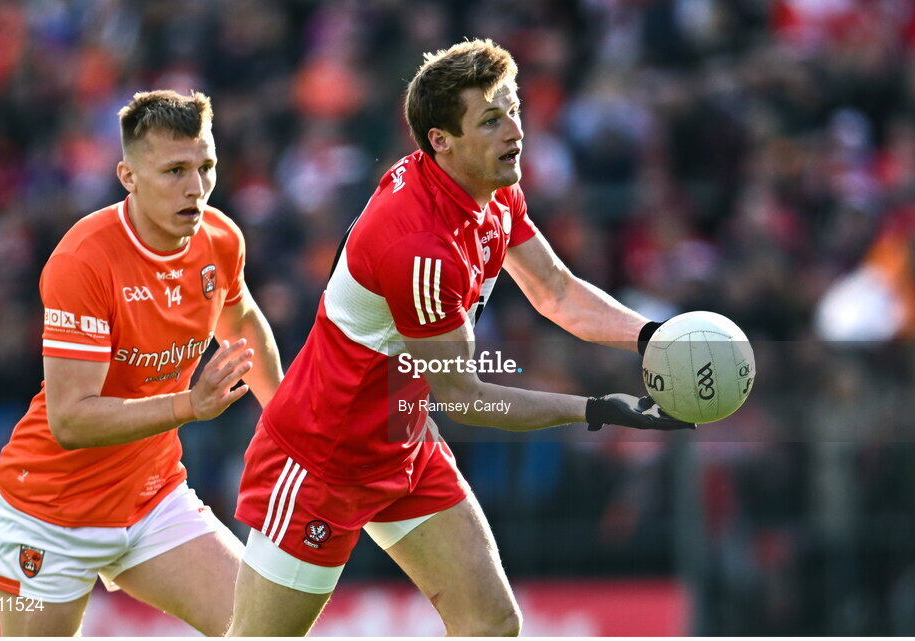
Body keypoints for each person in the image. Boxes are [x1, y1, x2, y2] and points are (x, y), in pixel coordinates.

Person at [227, 39, 691, 637]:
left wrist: (650, 337)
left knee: (490, 624)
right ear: (441, 141)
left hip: (404, 438)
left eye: (514, 109)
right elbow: (468, 398)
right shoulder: (420, 249)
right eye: (492, 120)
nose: (515, 132)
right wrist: (597, 409)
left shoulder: (491, 187)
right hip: (322, 460)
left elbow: (555, 291)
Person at [0, 89, 284, 636]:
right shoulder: (83, 261)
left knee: (264, 629)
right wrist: (189, 405)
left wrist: (287, 425)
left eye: (206, 166)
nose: (196, 187)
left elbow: (240, 324)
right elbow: (71, 421)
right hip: (49, 512)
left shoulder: (220, 239)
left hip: (152, 497)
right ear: (128, 176)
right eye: (174, 170)